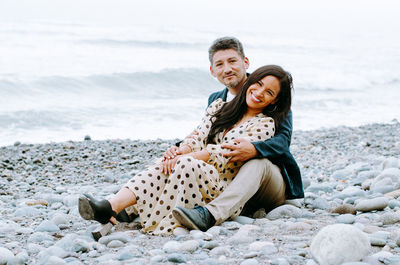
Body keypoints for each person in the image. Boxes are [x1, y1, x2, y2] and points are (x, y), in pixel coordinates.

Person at [78, 64, 293, 235]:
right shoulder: (220, 106)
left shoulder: (265, 124)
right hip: (201, 168)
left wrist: (187, 156)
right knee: (167, 162)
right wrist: (181, 149)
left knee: (186, 162)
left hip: (222, 183)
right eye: (259, 84)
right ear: (250, 81)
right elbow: (198, 134)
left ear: (274, 100)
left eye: (269, 92)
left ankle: (159, 216)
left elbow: (223, 153)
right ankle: (111, 206)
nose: (259, 93)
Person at [171, 37, 304, 231]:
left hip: (266, 182)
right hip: (226, 178)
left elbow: (283, 141)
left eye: (233, 61)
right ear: (213, 71)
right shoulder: (216, 99)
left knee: (257, 162)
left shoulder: (268, 92)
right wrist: (180, 148)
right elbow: (206, 134)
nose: (227, 69)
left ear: (245, 62)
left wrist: (255, 149)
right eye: (220, 64)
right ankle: (133, 206)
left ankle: (210, 215)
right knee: (178, 158)